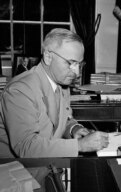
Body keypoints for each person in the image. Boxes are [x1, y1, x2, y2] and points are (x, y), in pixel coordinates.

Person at [0, 28, 109, 158]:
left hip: (48, 166)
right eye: (71, 63)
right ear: (48, 57)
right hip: (22, 171)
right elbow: (26, 147)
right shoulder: (20, 90)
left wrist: (74, 129)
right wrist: (79, 145)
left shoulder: (61, 84)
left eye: (79, 64)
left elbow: (63, 119)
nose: (77, 73)